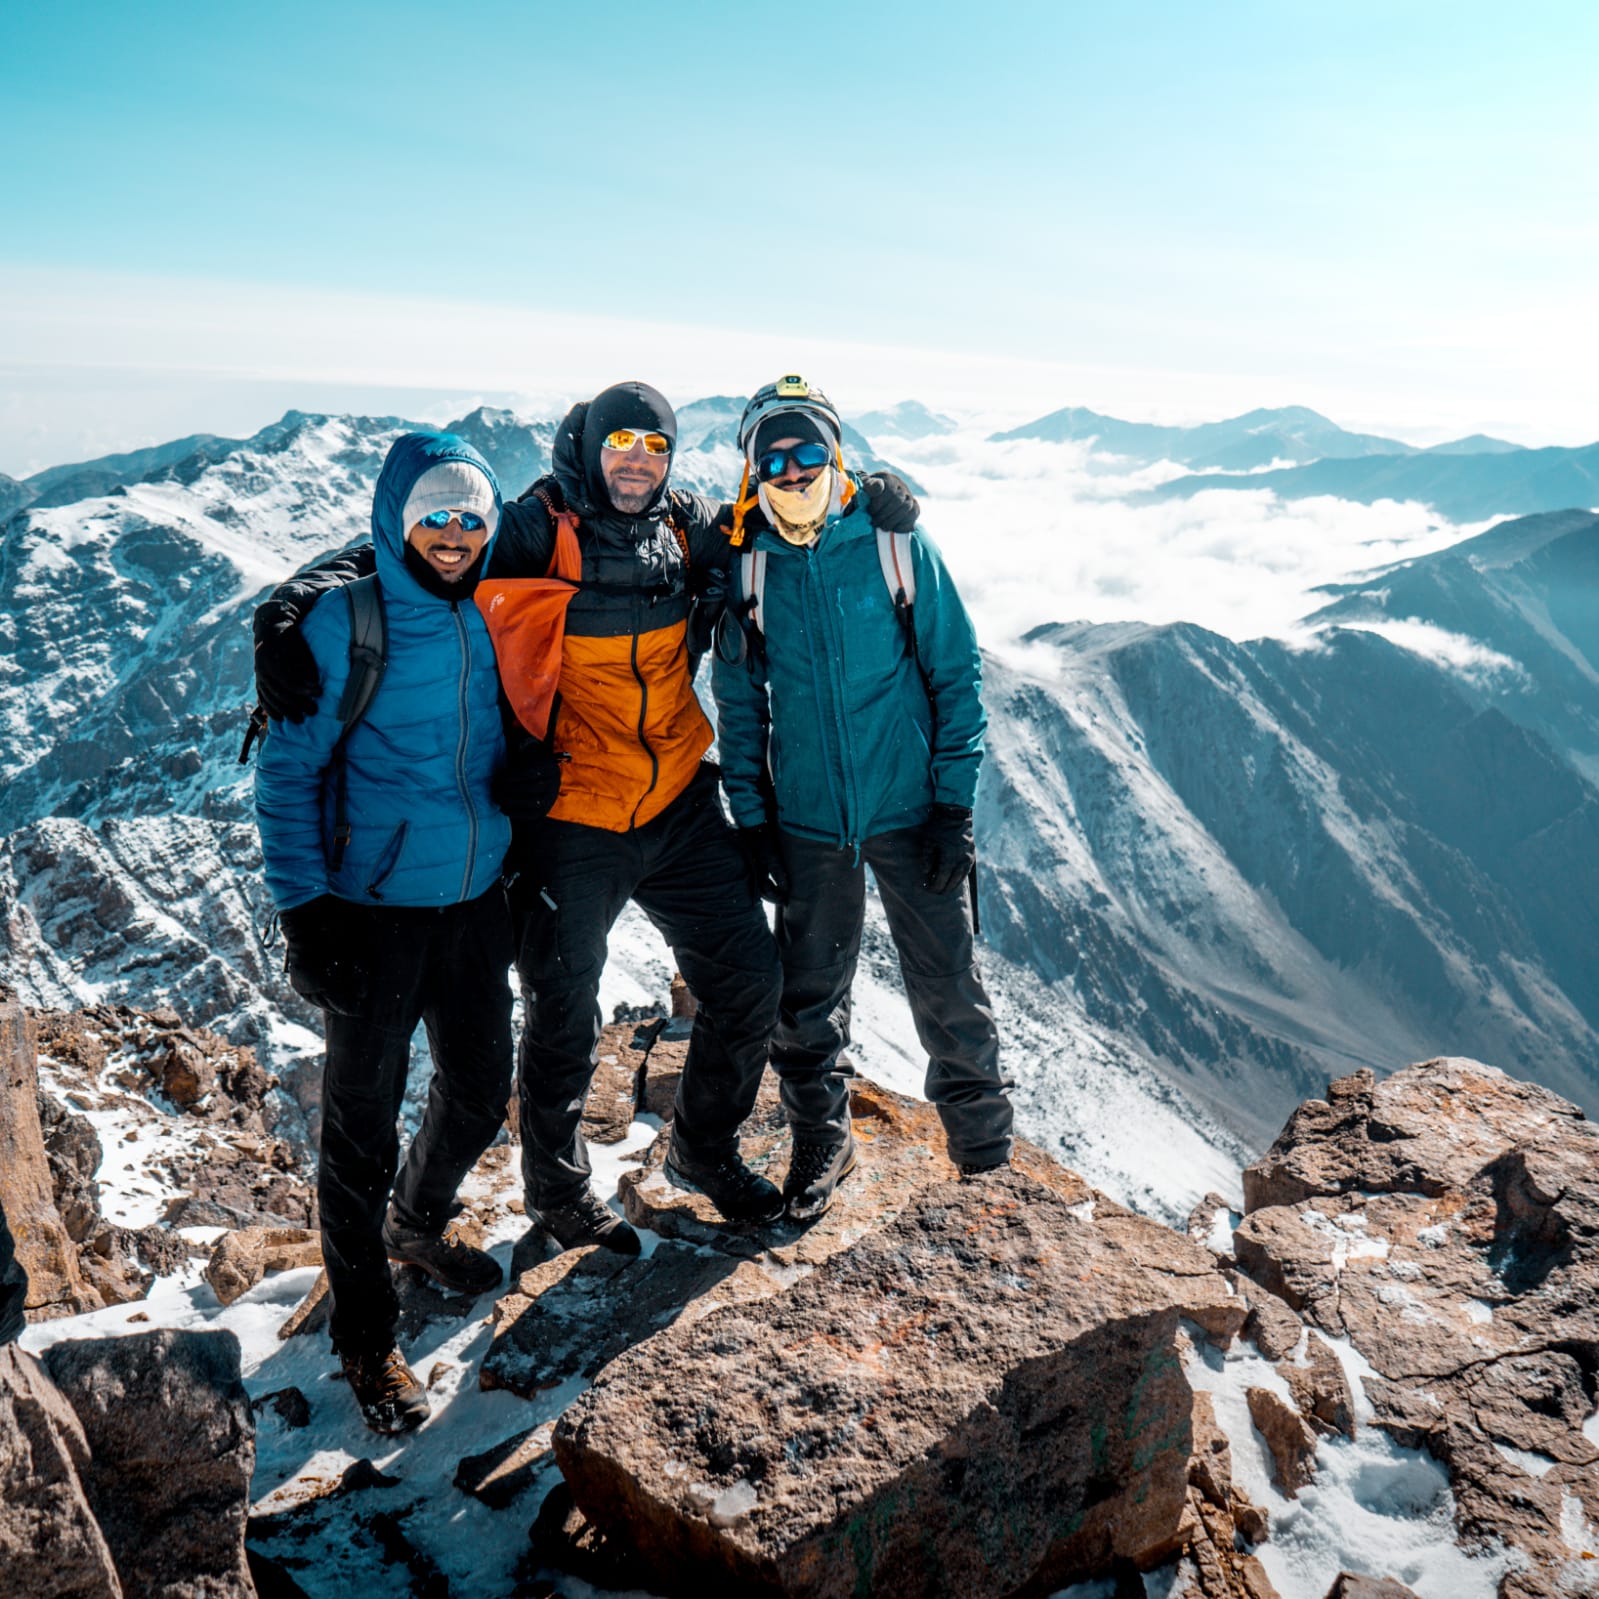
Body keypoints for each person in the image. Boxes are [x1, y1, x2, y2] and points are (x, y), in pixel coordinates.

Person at [253, 380, 917, 1251]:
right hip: (574, 809)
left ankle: (703, 1151)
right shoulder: (537, 525)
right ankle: (557, 1192)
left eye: (653, 447)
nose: (635, 462)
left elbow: (790, 512)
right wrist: (293, 601)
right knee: (563, 1009)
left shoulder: (689, 528)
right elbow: (427, 549)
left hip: (677, 799)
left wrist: (870, 491)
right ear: (590, 448)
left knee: (748, 980)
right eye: (620, 445)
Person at [255, 431, 514, 1434]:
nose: (453, 535)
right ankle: (367, 1340)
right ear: (398, 522)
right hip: (371, 910)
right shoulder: (342, 623)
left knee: (482, 1087)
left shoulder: (496, 605)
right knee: (358, 1127)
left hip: (476, 896)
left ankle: (416, 1225)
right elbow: (285, 775)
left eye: (469, 519)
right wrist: (306, 910)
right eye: (433, 518)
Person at [713, 377, 1014, 1221]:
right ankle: (822, 1139)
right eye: (770, 455)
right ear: (750, 468)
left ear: (836, 454)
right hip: (808, 821)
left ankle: (985, 1160)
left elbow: (955, 674)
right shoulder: (748, 563)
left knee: (948, 988)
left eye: (807, 449)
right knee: (807, 1001)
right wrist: (755, 817)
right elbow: (741, 704)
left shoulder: (893, 544)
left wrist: (952, 806)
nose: (791, 466)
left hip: (910, 807)